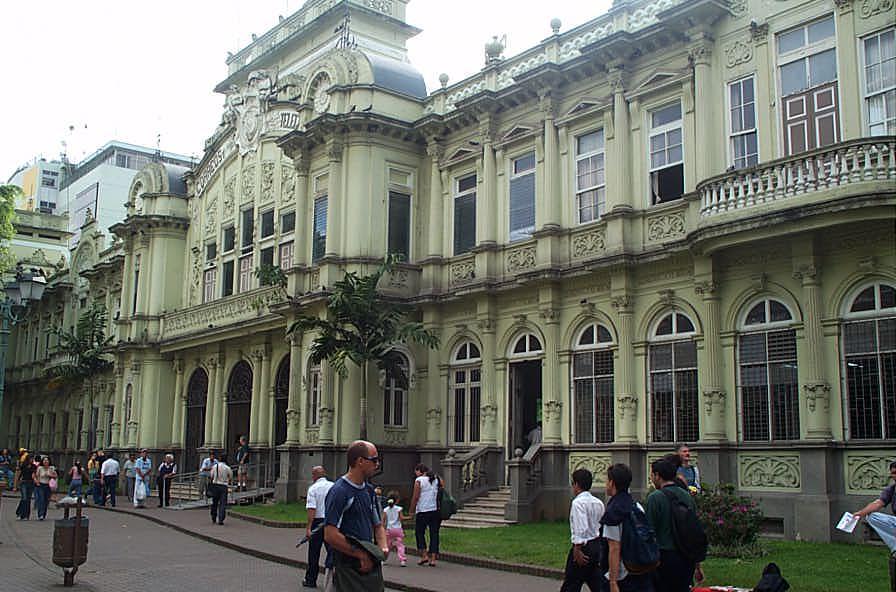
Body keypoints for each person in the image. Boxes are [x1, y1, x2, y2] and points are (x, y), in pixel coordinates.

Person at [324, 440, 389, 592]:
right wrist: (361, 555)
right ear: (360, 461)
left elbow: (378, 525)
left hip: (366, 569)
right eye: (374, 460)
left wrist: (383, 547)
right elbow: (330, 535)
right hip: (343, 569)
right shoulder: (340, 491)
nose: (377, 464)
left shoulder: (369, 491)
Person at [646, 458, 703, 592]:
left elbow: (649, 532)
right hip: (686, 556)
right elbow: (694, 529)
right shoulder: (687, 496)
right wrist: (697, 565)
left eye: (652, 474)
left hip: (664, 556)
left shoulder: (655, 498)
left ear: (657, 476)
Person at [601, 463, 654, 592]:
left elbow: (614, 547)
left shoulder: (613, 512)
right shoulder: (636, 506)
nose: (605, 484)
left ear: (612, 483)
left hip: (623, 573)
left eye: (607, 480)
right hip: (641, 565)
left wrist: (613, 582)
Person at [560, 468, 605, 592]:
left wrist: (577, 548)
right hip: (596, 544)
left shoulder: (578, 503)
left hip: (583, 547)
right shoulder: (599, 503)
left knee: (571, 583)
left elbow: (581, 527)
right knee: (595, 580)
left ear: (576, 484)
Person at [853, 460, 896, 553]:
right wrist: (860, 513)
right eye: (893, 473)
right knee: (872, 516)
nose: (895, 475)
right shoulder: (891, 490)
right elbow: (878, 503)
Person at [304, 465, 335, 588]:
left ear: (315, 475)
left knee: (314, 552)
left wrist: (309, 527)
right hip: (331, 522)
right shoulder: (333, 486)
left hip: (317, 522)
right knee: (332, 551)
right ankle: (334, 579)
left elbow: (312, 509)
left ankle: (311, 580)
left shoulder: (313, 489)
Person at [410, 463, 442, 567]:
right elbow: (442, 487)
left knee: (419, 533)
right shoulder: (436, 479)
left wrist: (411, 511)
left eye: (416, 472)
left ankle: (424, 555)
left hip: (422, 510)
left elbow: (415, 497)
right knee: (434, 534)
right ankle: (433, 559)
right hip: (434, 510)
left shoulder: (419, 481)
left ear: (420, 471)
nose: (416, 475)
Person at [382, 491, 408, 567]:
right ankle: (402, 560)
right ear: (397, 500)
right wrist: (409, 517)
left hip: (389, 530)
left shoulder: (385, 510)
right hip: (398, 530)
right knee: (400, 545)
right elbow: (401, 518)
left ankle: (383, 559)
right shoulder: (399, 509)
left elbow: (383, 521)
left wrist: (383, 529)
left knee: (387, 546)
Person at [208, 453, 232, 525]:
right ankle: (221, 519)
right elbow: (230, 477)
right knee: (222, 503)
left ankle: (213, 516)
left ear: (220, 459)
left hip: (215, 485)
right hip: (224, 486)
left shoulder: (215, 466)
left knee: (214, 502)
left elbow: (211, 476)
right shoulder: (227, 468)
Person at [14, 453, 36, 520]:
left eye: (33, 459)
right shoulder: (23, 465)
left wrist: (34, 478)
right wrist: (15, 486)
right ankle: (20, 513)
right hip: (24, 482)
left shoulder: (34, 466)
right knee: (24, 498)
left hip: (31, 483)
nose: (32, 460)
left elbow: (34, 474)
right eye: (31, 458)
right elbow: (18, 475)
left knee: (28, 499)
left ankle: (26, 515)